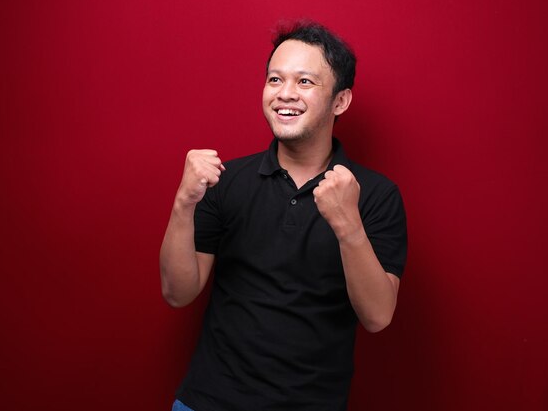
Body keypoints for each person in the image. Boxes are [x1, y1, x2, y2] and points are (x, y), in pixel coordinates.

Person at [160, 20, 407, 411]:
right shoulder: (226, 181)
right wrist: (182, 204)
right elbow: (178, 292)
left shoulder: (376, 195)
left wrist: (348, 225)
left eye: (305, 82)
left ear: (340, 101)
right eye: (275, 80)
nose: (285, 94)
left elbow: (378, 316)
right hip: (209, 401)